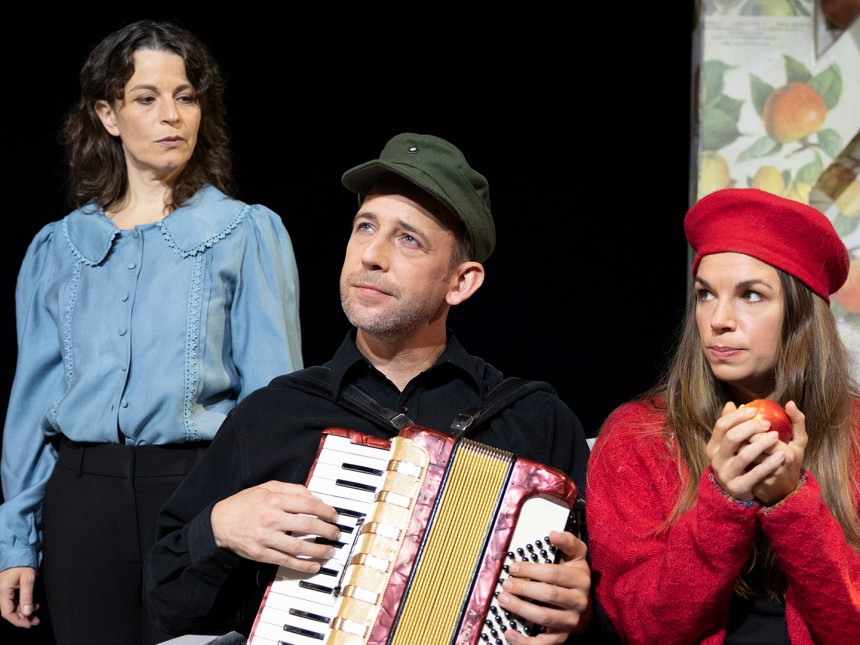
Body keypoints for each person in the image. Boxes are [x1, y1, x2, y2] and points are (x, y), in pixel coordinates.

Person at [144, 132, 596, 643]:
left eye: (408, 239)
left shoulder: (535, 421)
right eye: (365, 227)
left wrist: (579, 617)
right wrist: (219, 529)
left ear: (461, 282)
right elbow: (166, 605)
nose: (372, 255)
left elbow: (600, 608)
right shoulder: (273, 416)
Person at [0, 19, 303, 645]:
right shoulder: (59, 247)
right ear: (107, 115)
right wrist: (17, 542)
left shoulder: (244, 232)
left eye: (185, 96)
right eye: (147, 98)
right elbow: (32, 407)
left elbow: (273, 402)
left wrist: (266, 517)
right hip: (82, 503)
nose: (172, 115)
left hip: (200, 495)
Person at [586, 187, 860, 644]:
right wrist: (724, 502)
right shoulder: (639, 437)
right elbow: (644, 628)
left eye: (750, 295)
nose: (718, 319)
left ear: (801, 316)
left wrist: (791, 503)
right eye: (705, 294)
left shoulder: (853, 433)